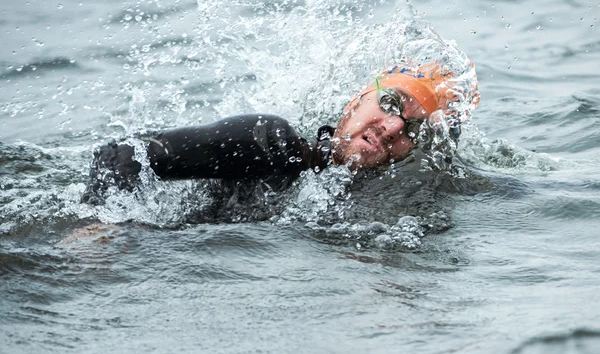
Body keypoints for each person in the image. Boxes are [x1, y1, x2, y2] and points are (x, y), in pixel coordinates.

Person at [81, 61, 479, 204]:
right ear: (354, 102)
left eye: (414, 129)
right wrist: (105, 230)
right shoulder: (272, 143)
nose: (393, 127)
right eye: (392, 104)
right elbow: (124, 154)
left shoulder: (396, 196)